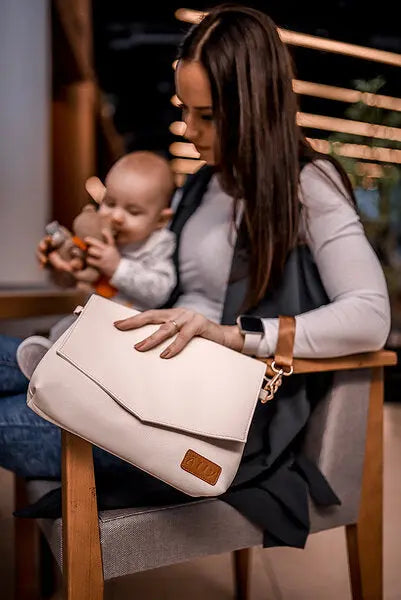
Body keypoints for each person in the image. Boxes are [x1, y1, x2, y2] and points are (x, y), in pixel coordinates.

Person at [0, 5, 391, 548]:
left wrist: (236, 335)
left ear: (255, 107)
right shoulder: (200, 188)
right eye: (185, 110)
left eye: (207, 116)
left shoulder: (308, 186)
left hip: (200, 413)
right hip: (144, 377)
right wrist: (92, 272)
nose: (189, 129)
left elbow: (371, 316)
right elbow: (162, 285)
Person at [15, 151, 177, 379]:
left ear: (160, 220)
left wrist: (117, 267)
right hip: (92, 320)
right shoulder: (98, 236)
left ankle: (63, 372)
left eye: (133, 211)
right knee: (65, 327)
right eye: (110, 203)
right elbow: (72, 280)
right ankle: (49, 364)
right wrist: (61, 265)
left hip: (132, 330)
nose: (117, 217)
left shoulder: (158, 245)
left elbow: (160, 290)